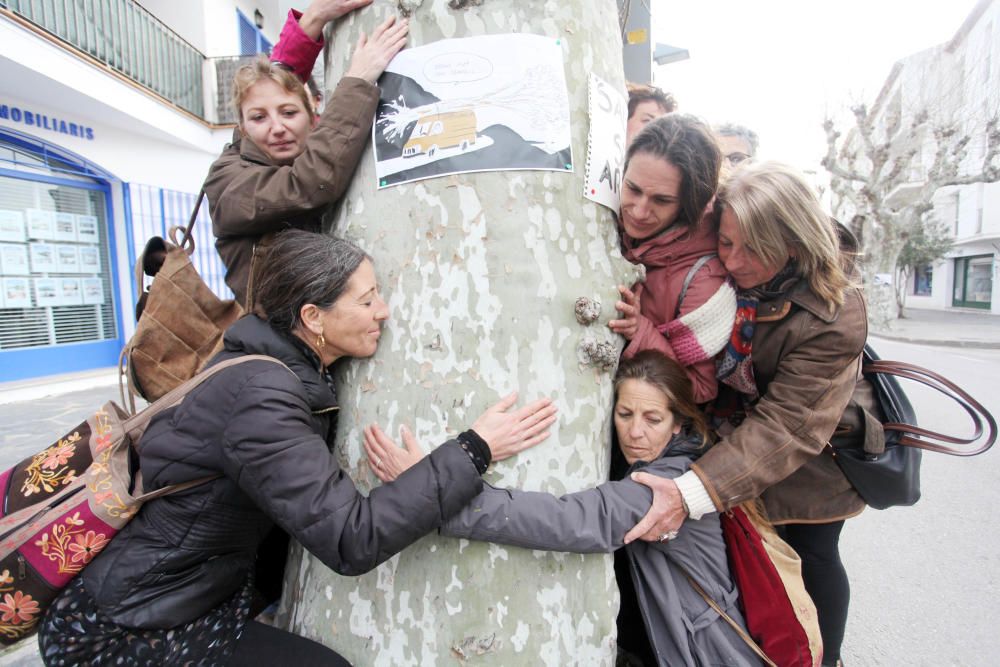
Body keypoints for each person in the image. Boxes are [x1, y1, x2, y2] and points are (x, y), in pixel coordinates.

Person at [37, 230, 557, 666]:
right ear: (312, 317)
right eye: (367, 298)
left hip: (176, 595)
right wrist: (473, 448)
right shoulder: (261, 396)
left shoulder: (273, 366)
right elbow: (352, 537)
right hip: (124, 624)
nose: (385, 310)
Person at [365, 350, 762, 666]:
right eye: (624, 415)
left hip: (708, 653)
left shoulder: (669, 480)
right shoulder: (631, 462)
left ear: (678, 424)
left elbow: (579, 520)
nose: (636, 431)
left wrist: (435, 493)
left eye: (653, 418)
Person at [627, 162, 869, 667]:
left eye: (749, 249)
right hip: (735, 442)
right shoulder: (732, 274)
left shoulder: (835, 312)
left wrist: (695, 490)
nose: (731, 260)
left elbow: (787, 425)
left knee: (809, 558)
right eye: (726, 241)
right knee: (753, 568)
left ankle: (827, 659)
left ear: (794, 248)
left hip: (813, 465)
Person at [204, 13, 409, 306]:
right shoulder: (227, 180)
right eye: (258, 117)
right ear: (243, 127)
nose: (277, 128)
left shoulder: (307, 151)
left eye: (289, 113)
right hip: (281, 345)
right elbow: (310, 182)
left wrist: (314, 19)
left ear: (313, 118)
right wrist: (359, 80)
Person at [608, 114, 737, 404]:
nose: (639, 212)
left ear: (691, 203)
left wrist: (639, 331)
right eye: (633, 189)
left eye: (662, 201)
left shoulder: (705, 278)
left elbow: (701, 388)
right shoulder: (605, 219)